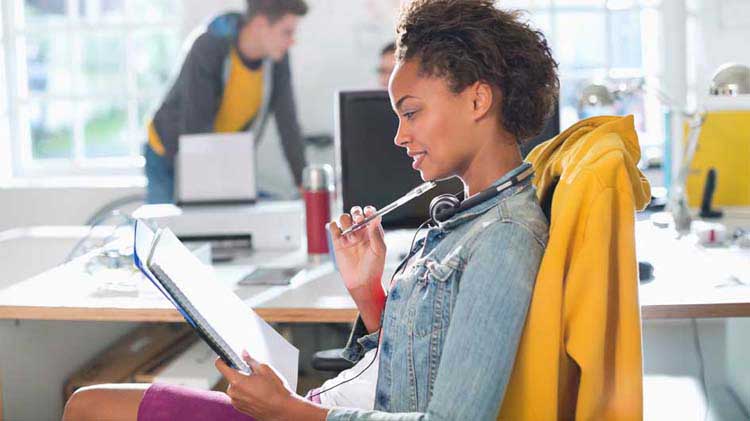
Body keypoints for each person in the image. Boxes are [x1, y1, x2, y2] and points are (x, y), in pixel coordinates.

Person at [62, 0, 558, 419]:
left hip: (307, 414)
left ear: (477, 101)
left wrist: (291, 411)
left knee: (89, 408)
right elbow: (410, 365)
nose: (399, 135)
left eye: (410, 112)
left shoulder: (504, 236)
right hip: (319, 406)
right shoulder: (467, 215)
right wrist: (369, 293)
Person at [144, 0, 308, 204]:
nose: (292, 41)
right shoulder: (209, 46)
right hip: (169, 152)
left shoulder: (277, 59)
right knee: (174, 230)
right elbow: (196, 127)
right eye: (287, 32)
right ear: (259, 24)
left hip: (214, 154)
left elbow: (288, 123)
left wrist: (305, 183)